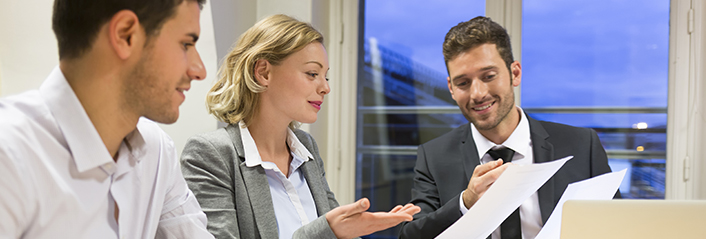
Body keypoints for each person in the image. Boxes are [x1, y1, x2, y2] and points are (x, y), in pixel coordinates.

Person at [180, 14, 421, 239]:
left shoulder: (306, 148)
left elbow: (331, 228)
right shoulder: (211, 154)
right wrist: (328, 230)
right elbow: (325, 229)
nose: (325, 87)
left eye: (325, 76)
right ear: (263, 72)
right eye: (312, 73)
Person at [0, 0, 214, 238]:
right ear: (125, 35)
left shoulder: (158, 152)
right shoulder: (9, 156)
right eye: (186, 44)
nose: (199, 70)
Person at [398, 16, 616, 239]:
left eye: (489, 76)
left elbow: (618, 225)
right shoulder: (433, 156)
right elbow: (410, 235)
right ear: (451, 89)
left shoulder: (581, 145)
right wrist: (465, 203)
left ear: (515, 74)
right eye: (463, 83)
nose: (478, 94)